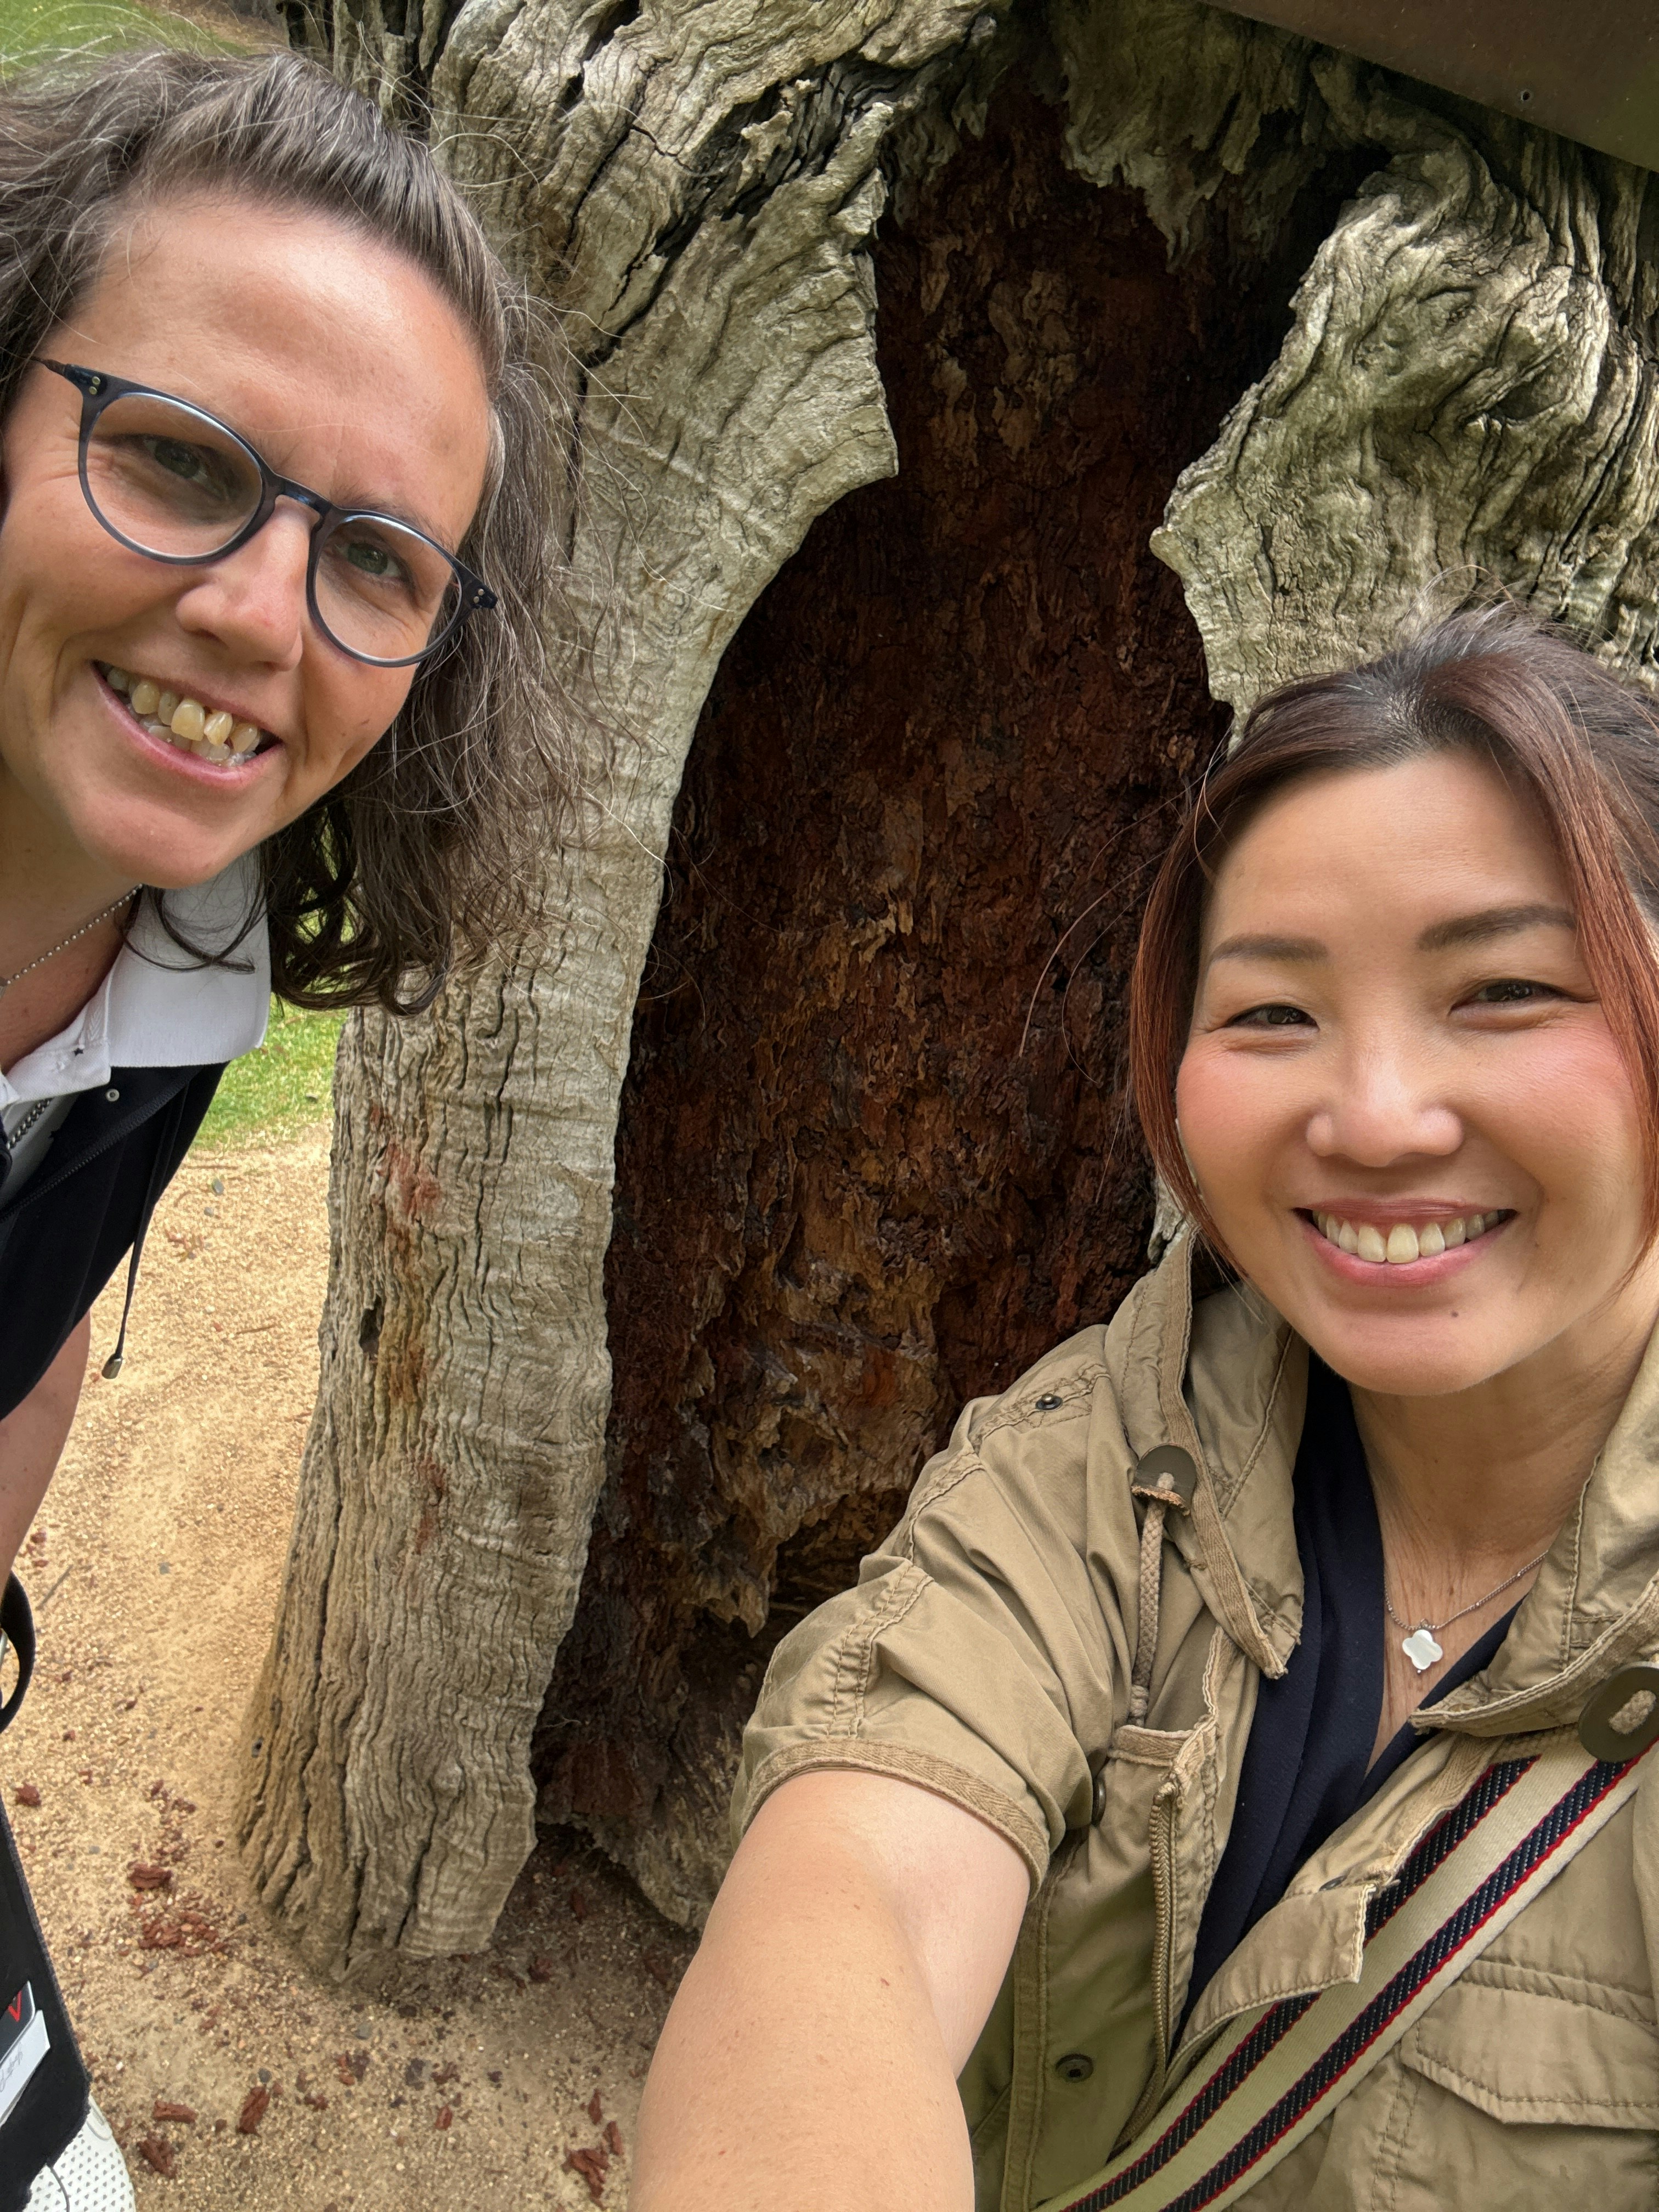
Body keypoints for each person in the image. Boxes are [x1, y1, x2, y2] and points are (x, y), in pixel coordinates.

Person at [634, 605, 1659, 2212]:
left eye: (1506, 991)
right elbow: (857, 1891)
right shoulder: (1122, 1450)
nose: (1377, 1118)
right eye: (1271, 1011)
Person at [0, 47, 582, 2204]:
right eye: (172, 457)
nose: (261, 616)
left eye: (380, 561)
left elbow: (32, 1324)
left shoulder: (187, 951)